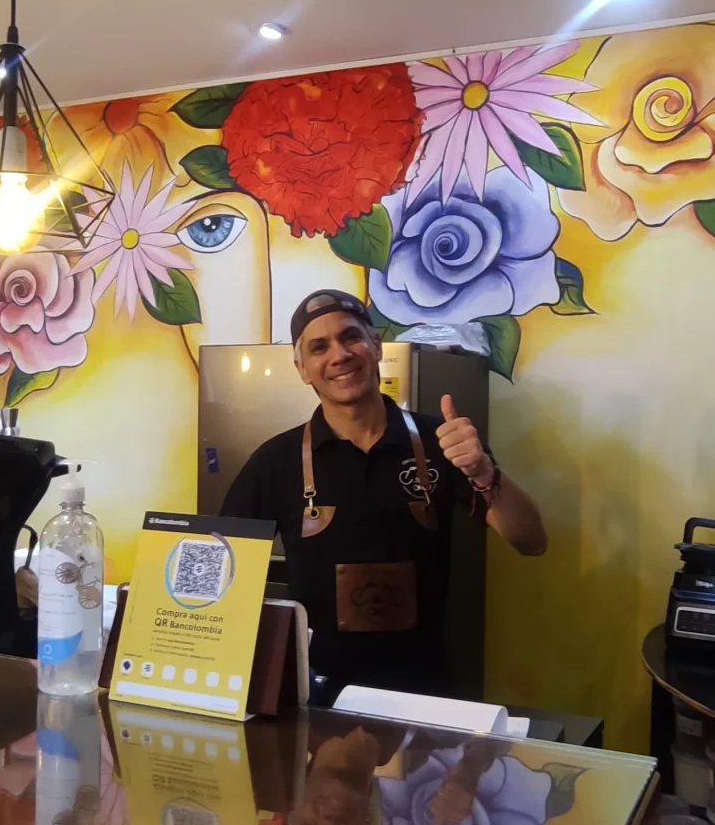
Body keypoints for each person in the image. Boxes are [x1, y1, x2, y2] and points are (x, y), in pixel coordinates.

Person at [221, 289, 547, 697]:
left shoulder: (441, 442)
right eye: (319, 347)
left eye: (351, 337)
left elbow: (532, 541)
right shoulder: (275, 461)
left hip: (422, 691)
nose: (340, 355)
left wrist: (484, 471)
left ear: (376, 345)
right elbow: (223, 575)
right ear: (302, 368)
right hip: (315, 695)